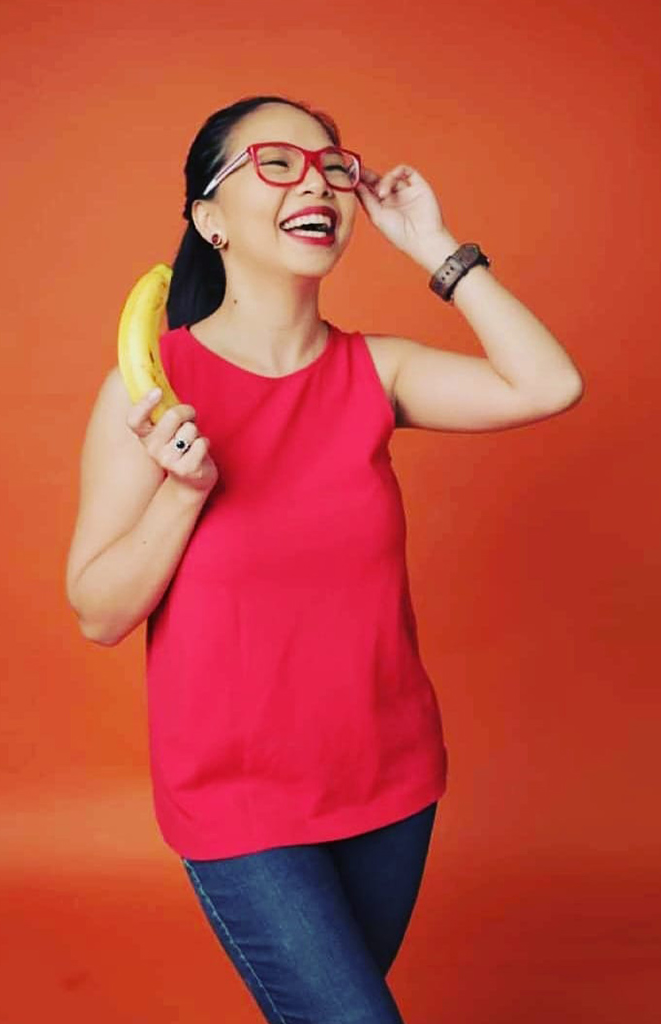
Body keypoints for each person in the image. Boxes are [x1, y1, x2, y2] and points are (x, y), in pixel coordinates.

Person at [65, 93, 584, 1024]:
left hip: (391, 783)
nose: (317, 182)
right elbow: (98, 612)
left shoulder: (377, 372)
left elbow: (549, 384)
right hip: (238, 803)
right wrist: (183, 493)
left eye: (333, 167)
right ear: (210, 219)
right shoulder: (154, 389)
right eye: (277, 163)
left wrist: (435, 247)